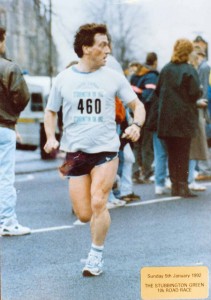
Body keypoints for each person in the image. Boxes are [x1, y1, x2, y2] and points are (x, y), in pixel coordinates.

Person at [43, 23, 145, 276]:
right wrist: (50, 137)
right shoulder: (63, 79)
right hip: (76, 154)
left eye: (107, 44)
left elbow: (137, 104)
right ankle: (95, 233)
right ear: (86, 48)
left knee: (100, 201)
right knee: (85, 213)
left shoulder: (113, 76)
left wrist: (137, 124)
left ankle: (95, 256)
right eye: (102, 45)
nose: (107, 49)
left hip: (106, 150)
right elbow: (50, 111)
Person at [154, 38, 202, 198]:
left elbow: (158, 90)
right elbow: (195, 92)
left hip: (167, 119)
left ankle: (175, 185)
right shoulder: (188, 69)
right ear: (188, 52)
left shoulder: (166, 69)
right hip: (184, 118)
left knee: (172, 154)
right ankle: (183, 186)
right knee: (183, 153)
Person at [0, 26, 31, 236]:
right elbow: (23, 96)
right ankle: (7, 222)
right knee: (4, 176)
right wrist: (12, 112)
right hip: (3, 127)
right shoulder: (9, 68)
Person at [130, 52, 159, 183]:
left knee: (136, 145)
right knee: (147, 145)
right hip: (147, 115)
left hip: (134, 114)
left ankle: (135, 172)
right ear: (155, 62)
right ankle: (146, 172)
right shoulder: (152, 76)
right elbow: (150, 96)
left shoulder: (135, 76)